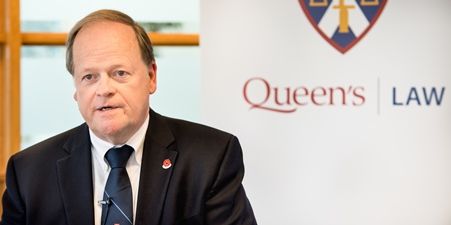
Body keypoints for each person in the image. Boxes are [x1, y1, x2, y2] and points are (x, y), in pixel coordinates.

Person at [1, 9, 256, 225]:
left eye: (120, 73)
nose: (104, 90)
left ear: (151, 76)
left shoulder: (210, 158)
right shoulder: (29, 173)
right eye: (89, 77)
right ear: (76, 89)